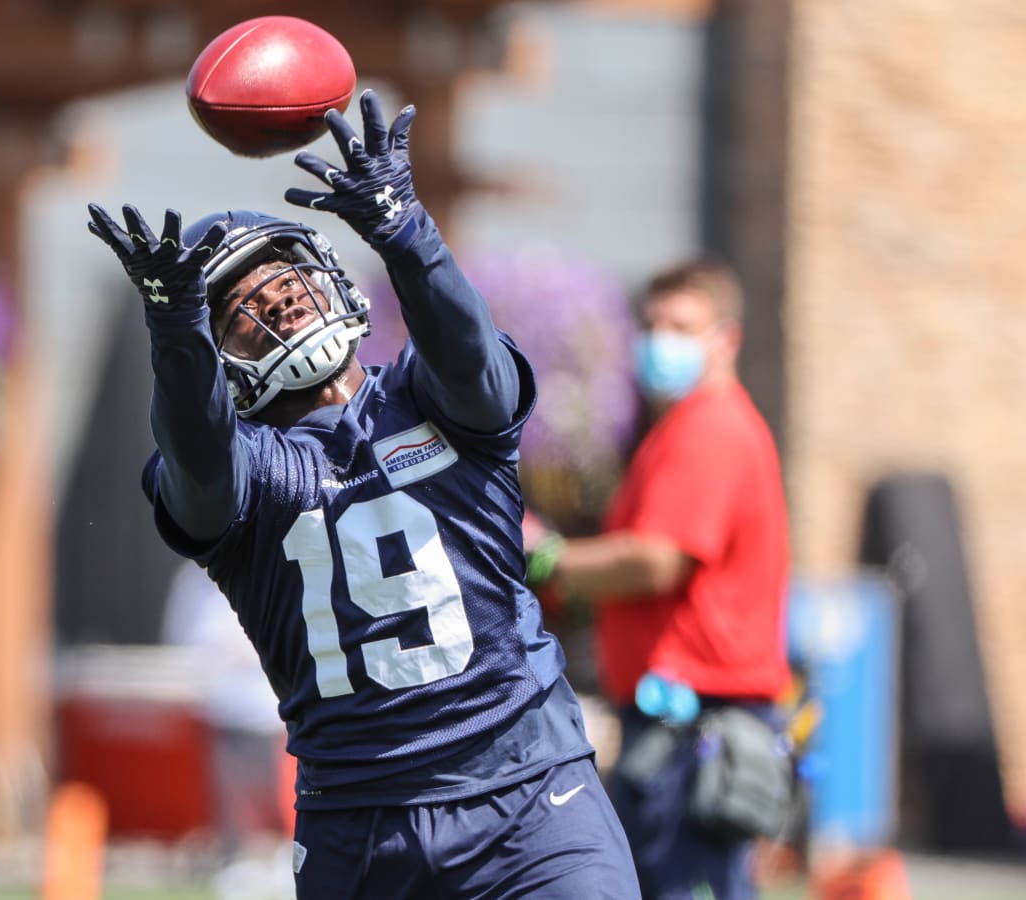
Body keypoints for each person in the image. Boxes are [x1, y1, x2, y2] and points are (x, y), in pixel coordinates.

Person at [87, 89, 639, 900]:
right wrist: (175, 332)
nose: (271, 298)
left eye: (282, 277)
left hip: (530, 799)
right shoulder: (257, 470)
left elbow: (476, 367)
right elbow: (200, 468)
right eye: (238, 306)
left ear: (331, 278)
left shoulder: (428, 399)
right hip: (362, 826)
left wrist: (404, 228)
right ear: (218, 355)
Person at [526, 259, 794, 900]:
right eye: (653, 325)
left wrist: (548, 556)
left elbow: (656, 561)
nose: (661, 340)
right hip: (673, 726)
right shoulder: (675, 430)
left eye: (682, 325)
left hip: (696, 727)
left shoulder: (711, 429)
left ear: (726, 338)